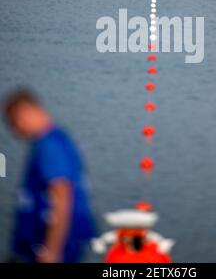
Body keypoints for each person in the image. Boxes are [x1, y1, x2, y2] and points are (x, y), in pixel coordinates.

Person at [2, 89, 97, 263]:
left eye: (14, 124)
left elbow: (61, 193)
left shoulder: (49, 145)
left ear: (25, 113)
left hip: (50, 247)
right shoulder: (59, 139)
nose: (16, 133)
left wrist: (52, 251)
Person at [92, 209, 173, 263]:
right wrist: (100, 243)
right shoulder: (116, 253)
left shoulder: (153, 251)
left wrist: (162, 246)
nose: (130, 237)